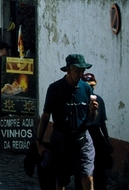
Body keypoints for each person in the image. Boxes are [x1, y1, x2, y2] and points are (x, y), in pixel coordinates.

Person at [36, 54, 99, 190]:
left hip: (82, 140)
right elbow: (46, 116)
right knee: (62, 181)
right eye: (77, 71)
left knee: (87, 176)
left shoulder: (86, 89)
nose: (80, 74)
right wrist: (39, 141)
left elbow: (91, 118)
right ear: (68, 70)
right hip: (61, 141)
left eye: (82, 71)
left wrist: (93, 110)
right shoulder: (55, 89)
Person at [75, 73, 113, 190]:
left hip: (95, 134)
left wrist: (107, 139)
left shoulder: (99, 100)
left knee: (99, 167)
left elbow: (102, 122)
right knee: (82, 166)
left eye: (92, 86)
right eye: (88, 86)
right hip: (82, 133)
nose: (91, 89)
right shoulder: (78, 99)